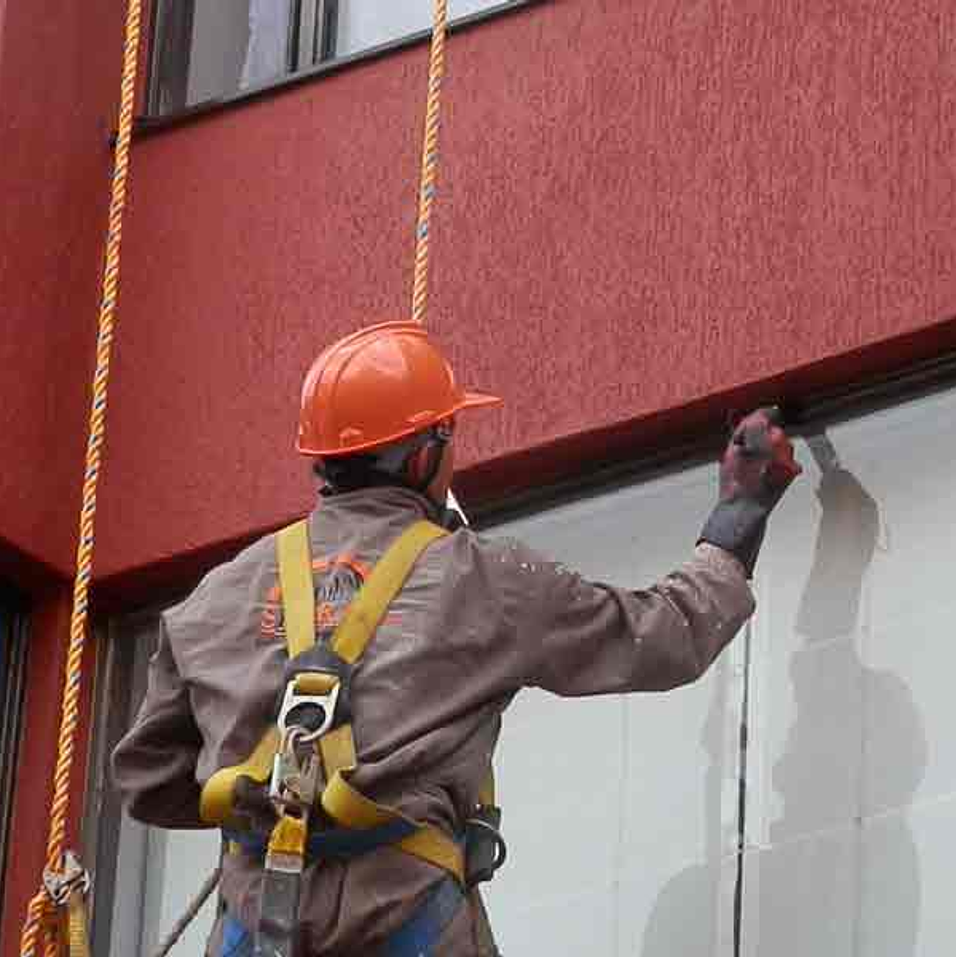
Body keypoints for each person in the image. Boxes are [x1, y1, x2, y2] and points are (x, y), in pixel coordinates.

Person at [111, 320, 801, 956]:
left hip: (255, 929)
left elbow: (148, 779)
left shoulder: (216, 598)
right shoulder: (482, 580)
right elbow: (665, 634)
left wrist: (272, 801)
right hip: (407, 922)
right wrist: (741, 506)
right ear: (424, 456)